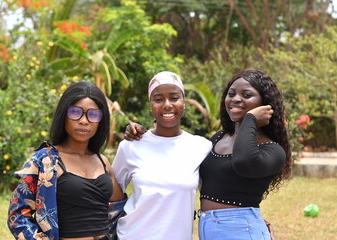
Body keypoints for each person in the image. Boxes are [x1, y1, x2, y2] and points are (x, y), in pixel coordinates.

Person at [125, 68, 292, 240]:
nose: (235, 99)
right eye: (231, 93)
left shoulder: (273, 150)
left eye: (247, 95)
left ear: (265, 103)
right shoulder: (219, 138)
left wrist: (250, 120)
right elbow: (180, 159)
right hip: (210, 229)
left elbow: (243, 161)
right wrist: (144, 135)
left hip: (243, 230)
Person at [7, 81, 125, 240]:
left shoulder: (103, 162)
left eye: (93, 114)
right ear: (64, 114)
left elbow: (120, 212)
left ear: (101, 121)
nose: (84, 120)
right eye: (75, 112)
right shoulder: (45, 160)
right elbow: (17, 215)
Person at [111, 71, 212, 240]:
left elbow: (219, 194)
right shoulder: (130, 146)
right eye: (158, 99)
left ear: (184, 102)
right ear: (150, 105)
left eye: (174, 98)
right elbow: (112, 198)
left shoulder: (201, 147)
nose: (167, 105)